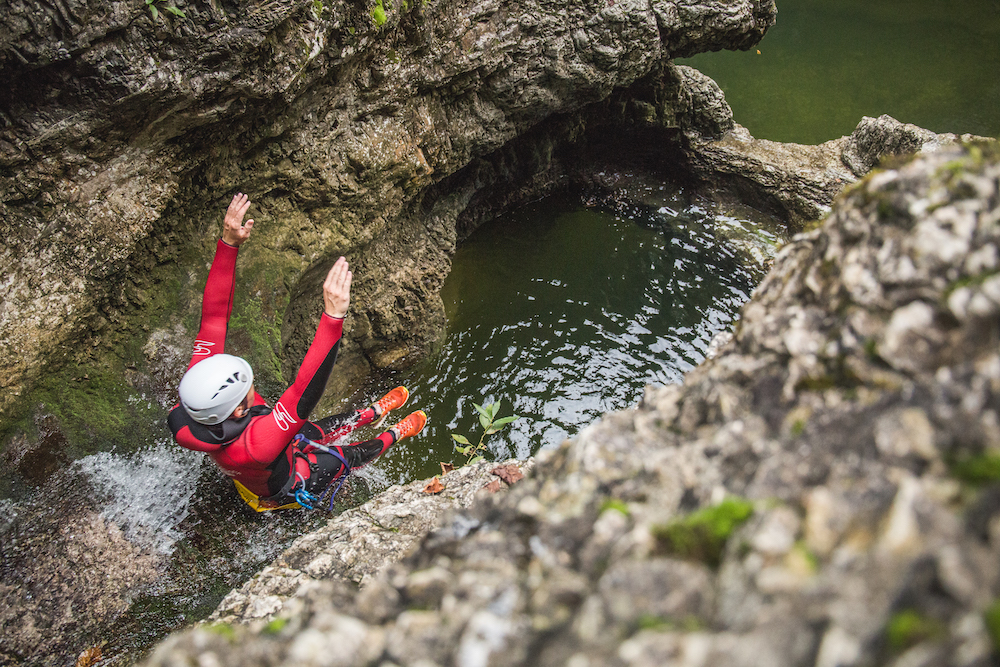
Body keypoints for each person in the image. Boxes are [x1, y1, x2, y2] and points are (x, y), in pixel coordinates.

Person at [168, 192, 427, 511]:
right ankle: (394, 435)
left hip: (266, 453)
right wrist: (333, 316)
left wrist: (228, 243)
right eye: (248, 387)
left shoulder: (201, 386)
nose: (252, 385)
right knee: (345, 456)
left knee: (324, 427)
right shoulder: (256, 444)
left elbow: (214, 316)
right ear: (237, 410)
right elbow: (304, 391)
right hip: (286, 482)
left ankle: (370, 414)